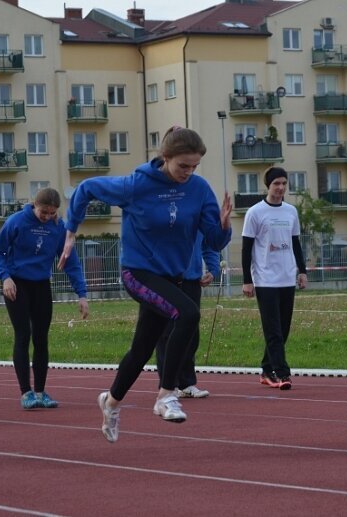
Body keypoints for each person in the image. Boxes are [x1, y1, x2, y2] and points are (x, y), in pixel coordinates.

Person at [58, 126, 232, 443]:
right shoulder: (136, 185)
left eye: (194, 166)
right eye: (183, 166)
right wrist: (71, 233)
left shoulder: (199, 189)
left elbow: (214, 239)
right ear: (165, 158)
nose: (188, 172)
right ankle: (166, 395)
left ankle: (110, 403)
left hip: (176, 275)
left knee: (141, 349)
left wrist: (223, 225)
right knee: (188, 314)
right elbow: (85, 189)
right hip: (139, 273)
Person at [0, 188, 89, 411]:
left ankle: (41, 392)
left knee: (41, 338)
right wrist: (5, 278)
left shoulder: (59, 228)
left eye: (52, 213)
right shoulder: (16, 222)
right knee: (23, 334)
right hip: (17, 284)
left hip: (41, 284)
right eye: (44, 212)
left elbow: (70, 261)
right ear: (34, 205)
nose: (47, 217)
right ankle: (26, 392)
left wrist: (82, 294)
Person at [241, 167, 308, 391]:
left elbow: (296, 243)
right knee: (273, 331)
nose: (280, 188)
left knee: (284, 329)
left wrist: (302, 271)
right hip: (265, 279)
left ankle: (266, 368)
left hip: (287, 277)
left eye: (284, 184)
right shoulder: (255, 212)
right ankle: (282, 374)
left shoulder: (291, 212)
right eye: (276, 184)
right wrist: (247, 280)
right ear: (268, 186)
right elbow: (246, 249)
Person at [154, 233, 220, 398]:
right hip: (166, 280)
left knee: (191, 334)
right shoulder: (167, 214)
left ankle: (186, 382)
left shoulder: (197, 213)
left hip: (192, 281)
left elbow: (209, 243)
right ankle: (168, 385)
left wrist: (213, 269)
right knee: (167, 333)